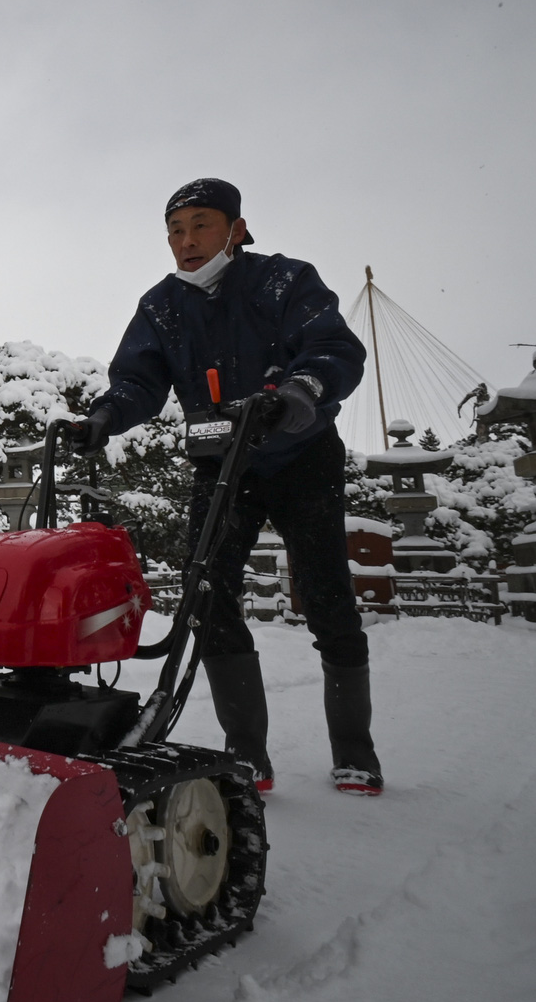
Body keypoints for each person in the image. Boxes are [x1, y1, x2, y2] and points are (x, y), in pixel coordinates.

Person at [68, 178, 383, 796]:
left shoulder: (282, 280)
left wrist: (299, 392)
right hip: (221, 466)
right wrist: (105, 416)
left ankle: (355, 750)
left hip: (301, 455)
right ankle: (245, 752)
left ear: (236, 229)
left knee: (326, 598)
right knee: (207, 598)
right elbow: (139, 380)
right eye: (176, 232)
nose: (187, 242)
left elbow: (332, 348)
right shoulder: (161, 306)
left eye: (201, 225)